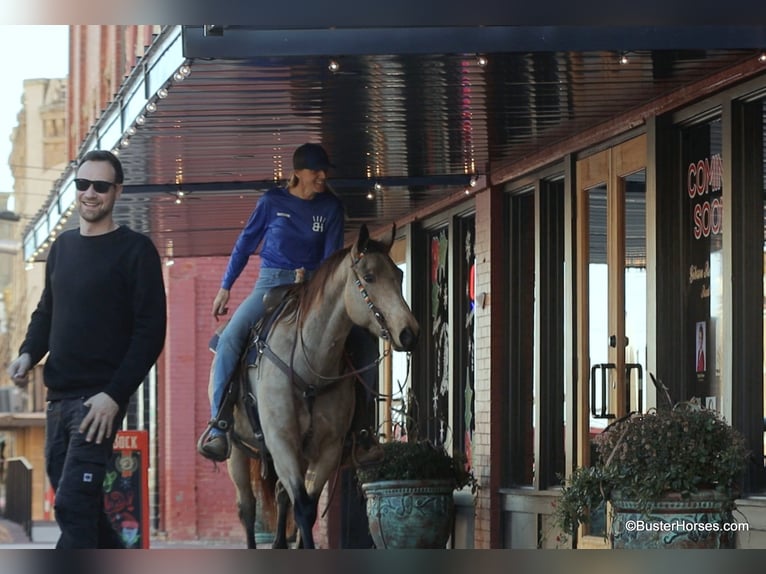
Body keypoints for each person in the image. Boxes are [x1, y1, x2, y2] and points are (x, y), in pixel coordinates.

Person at [6, 150, 167, 549]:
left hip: (98, 403)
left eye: (100, 186)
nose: (90, 193)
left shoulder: (135, 250)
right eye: (82, 184)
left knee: (72, 506)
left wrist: (114, 396)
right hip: (58, 402)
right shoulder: (62, 247)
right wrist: (28, 353)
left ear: (117, 191)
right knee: (87, 512)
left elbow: (151, 332)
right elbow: (47, 312)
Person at [197, 142, 345, 461]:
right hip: (269, 286)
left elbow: (332, 258)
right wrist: (225, 287)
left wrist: (315, 277)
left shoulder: (331, 207)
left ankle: (361, 433)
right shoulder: (271, 201)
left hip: (311, 289)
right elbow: (244, 244)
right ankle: (220, 426)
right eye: (314, 170)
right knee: (230, 339)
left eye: (324, 171)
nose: (321, 176)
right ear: (297, 173)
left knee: (357, 339)